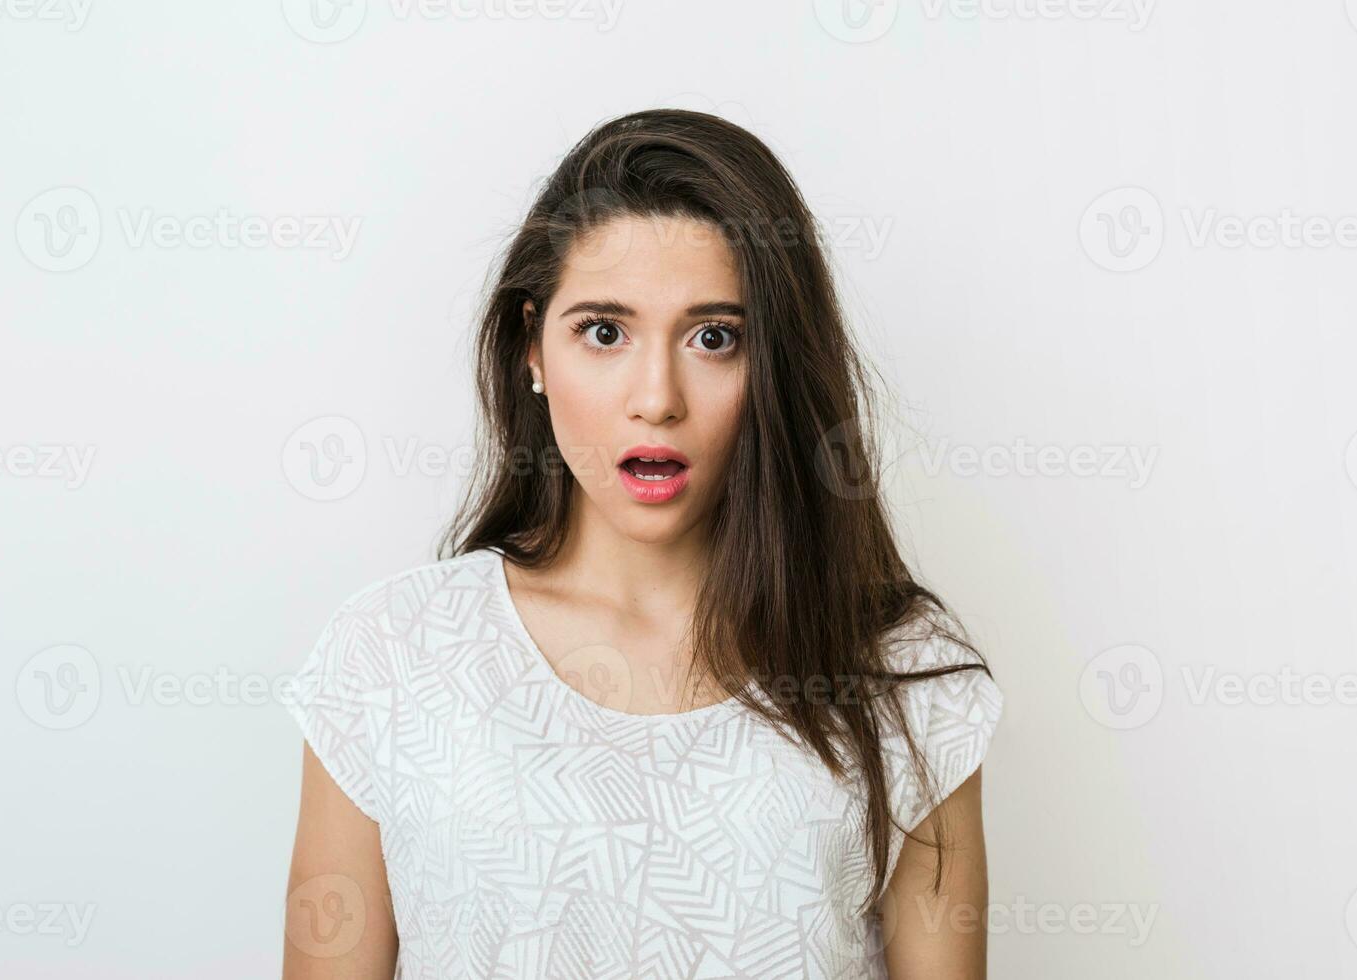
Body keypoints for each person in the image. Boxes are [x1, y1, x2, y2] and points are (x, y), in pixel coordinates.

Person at [282, 108, 1004, 980]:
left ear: (772, 361)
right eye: (604, 331)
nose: (656, 397)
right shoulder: (391, 660)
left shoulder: (903, 677)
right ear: (532, 350)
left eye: (714, 337)